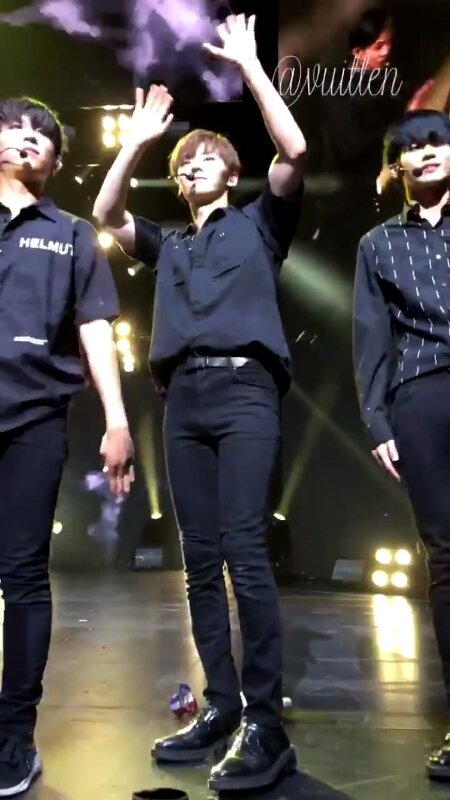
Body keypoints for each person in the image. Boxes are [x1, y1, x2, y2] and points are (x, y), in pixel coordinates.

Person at [94, 13, 305, 793]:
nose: (196, 165)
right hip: (183, 398)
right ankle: (220, 706)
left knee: (245, 550)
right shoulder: (169, 244)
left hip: (246, 390)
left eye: (209, 157)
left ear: (232, 171)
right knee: (200, 560)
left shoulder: (261, 224)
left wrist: (250, 67)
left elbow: (295, 152)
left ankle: (266, 723)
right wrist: (136, 144)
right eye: (186, 163)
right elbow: (107, 216)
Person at [0, 96, 134, 796]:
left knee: (22, 575)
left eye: (43, 137)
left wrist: (117, 418)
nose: (29, 140)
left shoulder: (73, 235)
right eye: (15, 129)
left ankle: (13, 736)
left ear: (55, 161)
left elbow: (94, 327)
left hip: (33, 419)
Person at [353, 109, 450, 780]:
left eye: (437, 140)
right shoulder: (379, 244)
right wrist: (379, 422)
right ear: (397, 167)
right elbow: (370, 339)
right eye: (411, 147)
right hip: (424, 397)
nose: (426, 152)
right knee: (445, 558)